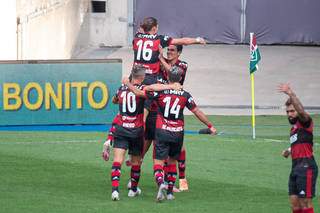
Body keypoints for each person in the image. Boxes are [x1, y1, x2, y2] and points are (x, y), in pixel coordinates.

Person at [123, 66, 217, 202]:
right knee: (172, 161)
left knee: (158, 161)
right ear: (180, 78)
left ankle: (161, 182)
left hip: (162, 130)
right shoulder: (185, 95)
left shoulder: (161, 92)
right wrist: (210, 126)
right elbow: (197, 111)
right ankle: (171, 192)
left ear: (167, 77)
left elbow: (147, 89)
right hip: (178, 133)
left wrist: (128, 83)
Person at [110, 65, 181, 201]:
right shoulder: (142, 89)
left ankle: (115, 191)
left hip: (121, 129)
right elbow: (146, 92)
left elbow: (114, 100)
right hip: (136, 131)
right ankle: (133, 190)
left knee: (117, 160)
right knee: (136, 162)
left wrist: (126, 85)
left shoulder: (121, 88)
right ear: (142, 77)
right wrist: (170, 86)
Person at [278, 83, 318, 213]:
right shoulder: (293, 129)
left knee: (305, 204)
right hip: (295, 167)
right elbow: (300, 142)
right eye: (288, 111)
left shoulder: (305, 122)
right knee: (295, 204)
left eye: (292, 111)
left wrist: (291, 93)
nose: (289, 114)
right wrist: (289, 150)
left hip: (306, 166)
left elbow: (301, 111)